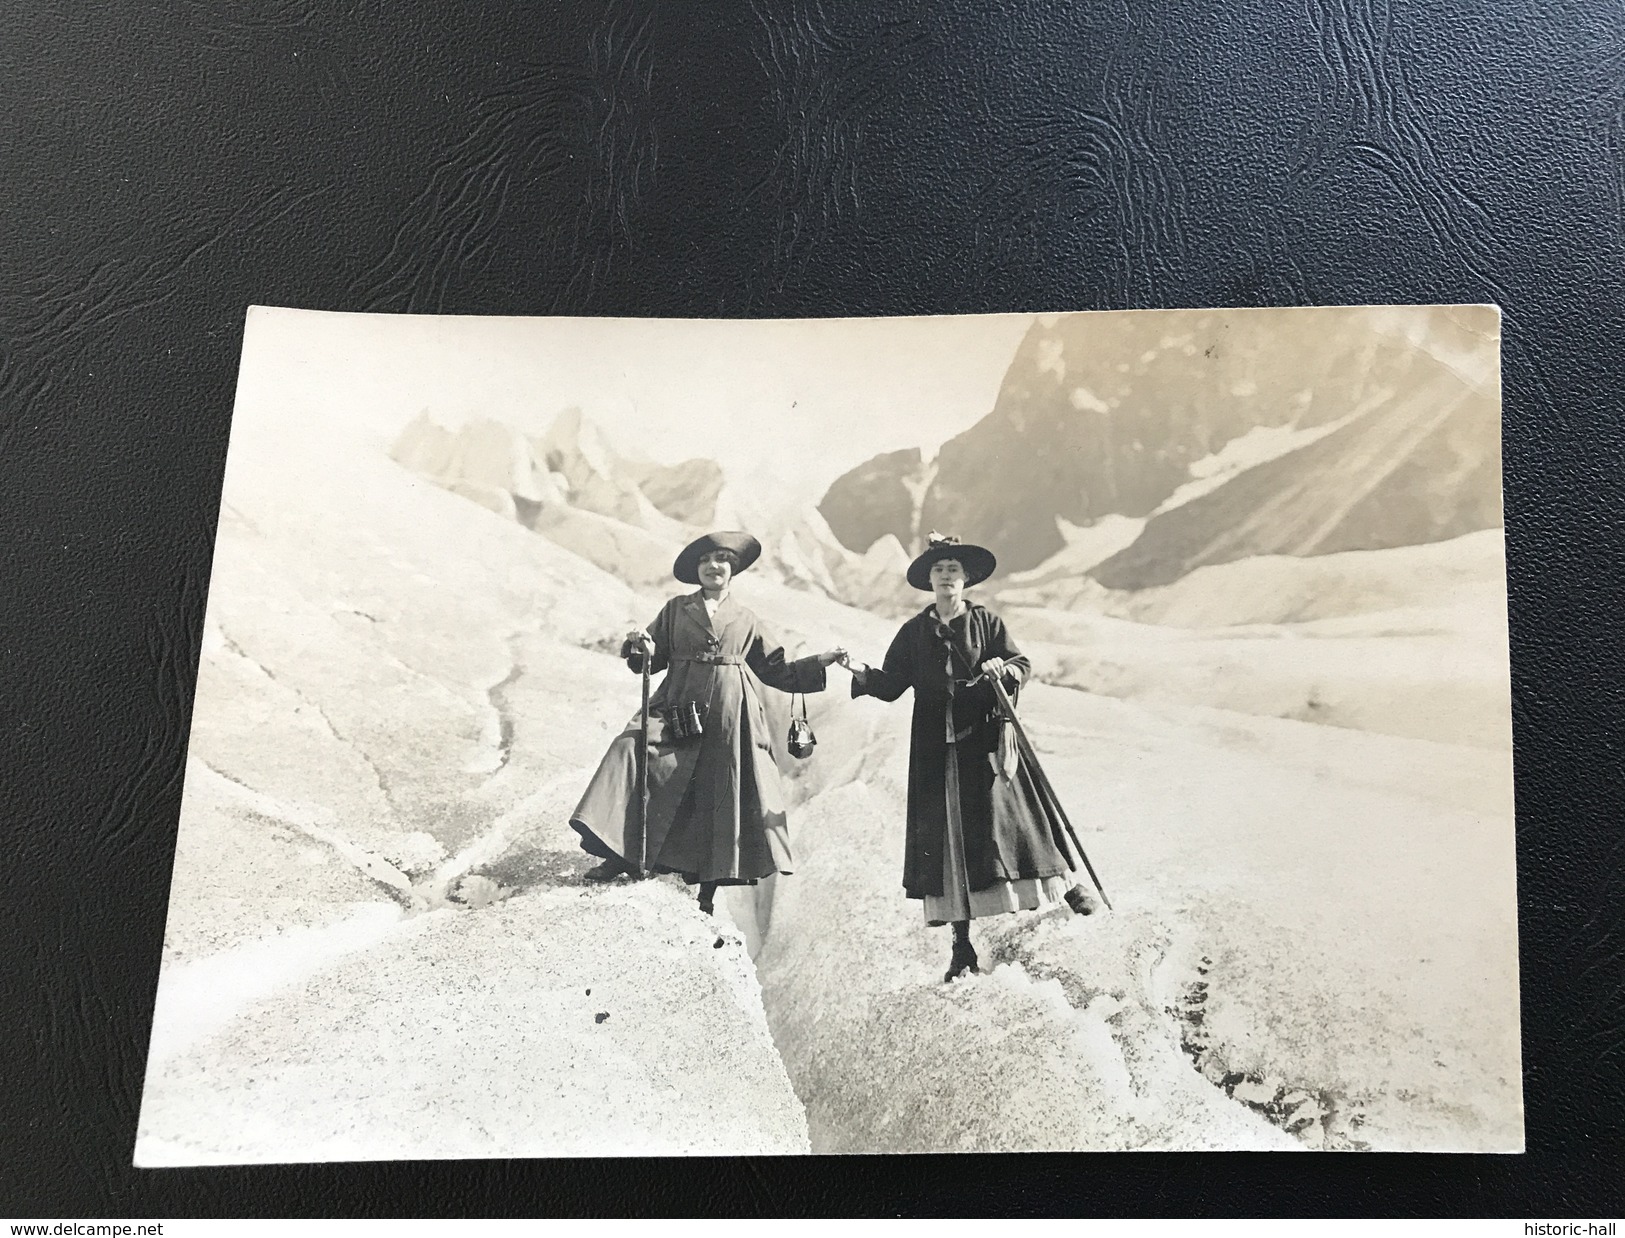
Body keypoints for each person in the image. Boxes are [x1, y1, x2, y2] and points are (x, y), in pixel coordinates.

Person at [841, 533, 1097, 982]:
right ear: (929, 580)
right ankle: (961, 945)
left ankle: (1066, 887)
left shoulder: (986, 624)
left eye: (953, 570)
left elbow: (1021, 663)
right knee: (948, 838)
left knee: (1020, 814)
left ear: (966, 579)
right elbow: (890, 685)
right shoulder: (914, 632)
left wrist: (1006, 669)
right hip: (935, 749)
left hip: (985, 739)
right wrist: (858, 672)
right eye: (938, 570)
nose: (945, 577)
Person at [570, 530, 846, 914]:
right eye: (705, 561)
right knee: (631, 749)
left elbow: (776, 670)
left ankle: (707, 893)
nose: (713, 566)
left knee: (721, 794)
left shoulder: (747, 619)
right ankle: (621, 854)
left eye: (721, 559)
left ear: (732, 569)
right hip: (676, 702)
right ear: (696, 571)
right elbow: (652, 656)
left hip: (729, 712)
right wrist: (642, 647)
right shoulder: (675, 609)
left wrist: (819, 662)